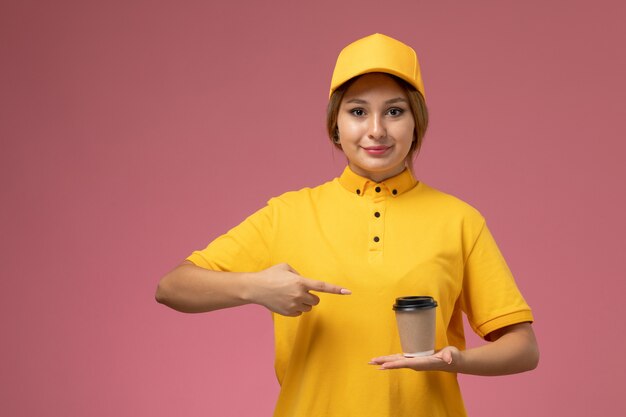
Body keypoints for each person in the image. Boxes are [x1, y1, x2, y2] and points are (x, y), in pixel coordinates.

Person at [156, 33, 539, 417]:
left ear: (416, 123)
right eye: (358, 112)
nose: (376, 130)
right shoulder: (289, 213)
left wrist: (453, 359)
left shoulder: (459, 220)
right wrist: (254, 287)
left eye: (394, 111)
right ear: (335, 126)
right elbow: (172, 287)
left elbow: (524, 347)